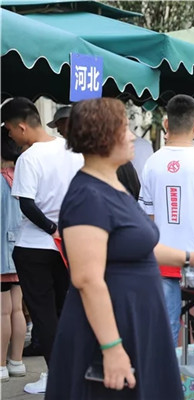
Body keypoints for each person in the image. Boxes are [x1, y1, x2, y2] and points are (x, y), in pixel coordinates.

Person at [45, 98, 194, 399]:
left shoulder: (112, 185)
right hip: (111, 326)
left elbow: (139, 247)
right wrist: (112, 348)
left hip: (135, 319)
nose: (131, 137)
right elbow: (87, 280)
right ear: (103, 136)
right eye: (124, 129)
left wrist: (191, 258)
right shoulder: (87, 196)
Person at [3, 97, 84, 394]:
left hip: (36, 247)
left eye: (10, 130)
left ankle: (55, 375)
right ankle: (70, 372)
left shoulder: (29, 158)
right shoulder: (72, 149)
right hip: (68, 245)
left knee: (44, 315)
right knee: (64, 310)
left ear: (22, 127)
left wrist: (52, 229)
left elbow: (27, 204)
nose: (10, 136)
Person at [139, 95, 194, 346]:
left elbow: (147, 214)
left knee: (166, 327)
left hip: (163, 258)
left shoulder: (152, 162)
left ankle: (166, 370)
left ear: (166, 124)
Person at [1, 128, 26, 382]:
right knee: (17, 309)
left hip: (0, 253)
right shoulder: (21, 177)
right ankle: (16, 361)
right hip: (20, 249)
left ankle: (0, 365)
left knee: (1, 312)